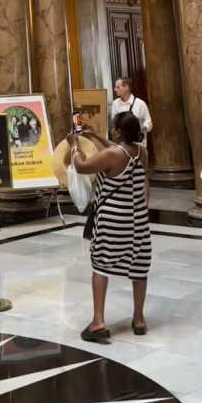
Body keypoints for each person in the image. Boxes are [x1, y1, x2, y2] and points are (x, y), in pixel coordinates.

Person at [71, 111, 151, 343]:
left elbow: (82, 167)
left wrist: (74, 145)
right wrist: (96, 136)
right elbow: (117, 150)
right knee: (139, 268)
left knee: (101, 266)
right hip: (138, 221)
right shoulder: (141, 152)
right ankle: (138, 319)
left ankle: (98, 322)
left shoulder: (112, 155)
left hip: (112, 220)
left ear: (117, 131)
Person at [111, 78, 153, 145]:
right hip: (122, 146)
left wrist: (138, 129)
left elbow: (149, 123)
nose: (115, 89)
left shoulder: (140, 104)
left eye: (118, 87)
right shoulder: (115, 104)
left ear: (126, 87)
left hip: (138, 145)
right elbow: (114, 122)